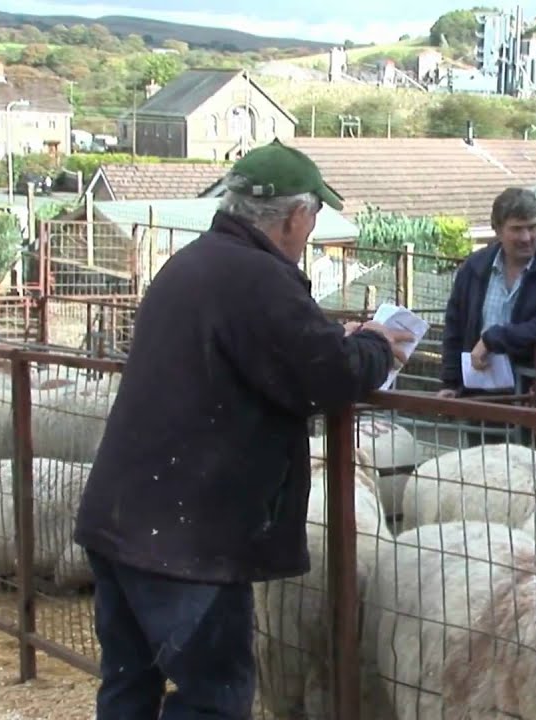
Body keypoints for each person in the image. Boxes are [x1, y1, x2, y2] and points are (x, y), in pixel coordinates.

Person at [72, 140, 413, 719]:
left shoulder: (194, 263)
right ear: (295, 215)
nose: (312, 229)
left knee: (128, 688)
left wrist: (339, 340)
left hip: (123, 518)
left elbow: (272, 353)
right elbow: (330, 375)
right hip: (187, 542)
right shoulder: (259, 279)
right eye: (314, 216)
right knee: (215, 699)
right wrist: (378, 345)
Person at [438, 187, 536, 409]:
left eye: (532, 227)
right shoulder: (474, 267)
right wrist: (450, 382)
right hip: (479, 395)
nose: (526, 238)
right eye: (516, 229)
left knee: (530, 446)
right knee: (481, 445)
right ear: (497, 230)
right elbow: (455, 325)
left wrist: (492, 339)